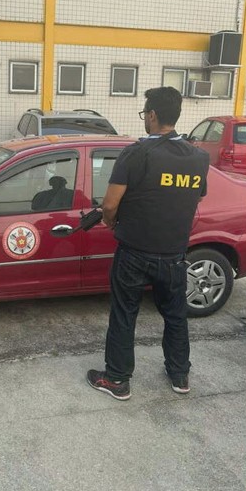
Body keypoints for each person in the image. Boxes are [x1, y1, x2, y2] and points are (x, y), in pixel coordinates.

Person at [87, 86, 210, 400]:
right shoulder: (199, 157)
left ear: (153, 115)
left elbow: (111, 204)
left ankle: (117, 379)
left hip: (134, 253)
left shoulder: (137, 152)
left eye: (145, 113)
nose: (145, 119)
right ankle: (180, 374)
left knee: (124, 315)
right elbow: (194, 195)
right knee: (175, 315)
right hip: (174, 255)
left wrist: (110, 222)